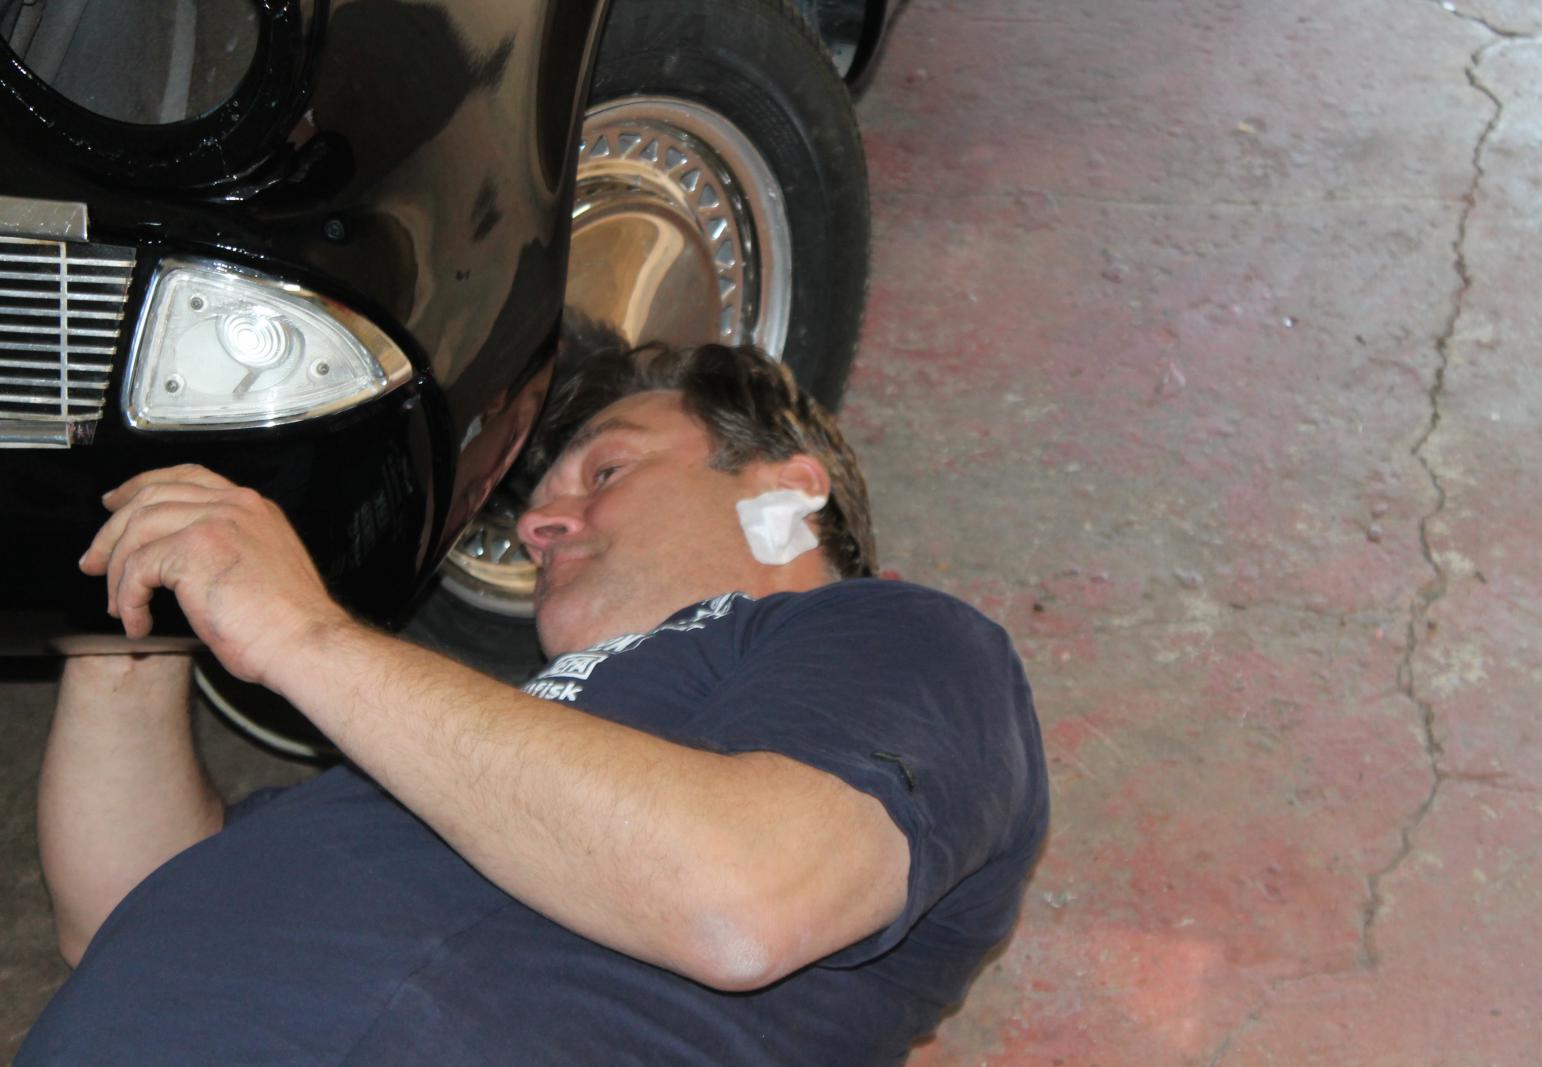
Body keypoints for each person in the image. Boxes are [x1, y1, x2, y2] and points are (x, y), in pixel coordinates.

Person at [21, 342, 1048, 1066]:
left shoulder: (905, 640)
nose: (540, 524)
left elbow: (740, 899)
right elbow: (122, 912)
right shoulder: (456, 749)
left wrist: (303, 632)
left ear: (787, 489)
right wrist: (131, 625)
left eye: (606, 469)